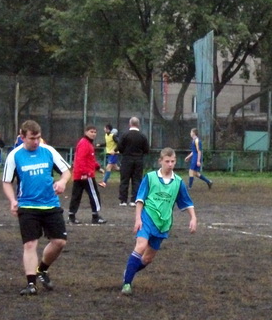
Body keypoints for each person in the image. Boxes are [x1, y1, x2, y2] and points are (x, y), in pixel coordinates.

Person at [2, 120, 71, 296]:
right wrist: (12, 200)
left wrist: (62, 182)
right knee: (30, 244)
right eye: (32, 138)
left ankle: (42, 269)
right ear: (22, 137)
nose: (36, 142)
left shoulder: (48, 151)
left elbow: (66, 171)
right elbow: (7, 182)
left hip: (50, 204)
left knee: (59, 242)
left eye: (38, 138)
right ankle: (31, 284)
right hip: (27, 205)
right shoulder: (14, 156)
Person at [120, 147, 197, 295]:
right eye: (167, 161)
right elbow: (140, 199)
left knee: (147, 259)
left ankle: (129, 271)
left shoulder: (178, 182)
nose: (170, 164)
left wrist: (193, 218)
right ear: (160, 161)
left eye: (173, 161)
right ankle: (127, 284)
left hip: (163, 224)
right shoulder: (150, 177)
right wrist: (138, 219)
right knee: (141, 246)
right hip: (147, 217)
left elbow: (187, 202)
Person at [68, 125, 106, 225]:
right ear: (86, 132)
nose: (93, 134)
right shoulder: (85, 143)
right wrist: (84, 173)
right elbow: (81, 159)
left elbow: (90, 159)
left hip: (78, 174)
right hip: (86, 175)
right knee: (94, 194)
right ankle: (95, 216)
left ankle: (71, 216)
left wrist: (97, 167)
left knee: (76, 195)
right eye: (91, 131)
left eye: (95, 132)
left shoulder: (86, 143)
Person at [117, 116, 149, 206]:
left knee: (124, 180)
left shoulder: (125, 135)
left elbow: (119, 147)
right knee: (137, 180)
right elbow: (146, 149)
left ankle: (123, 200)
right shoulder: (142, 136)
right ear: (138, 125)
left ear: (130, 124)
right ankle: (134, 200)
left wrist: (125, 152)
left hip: (126, 159)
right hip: (138, 160)